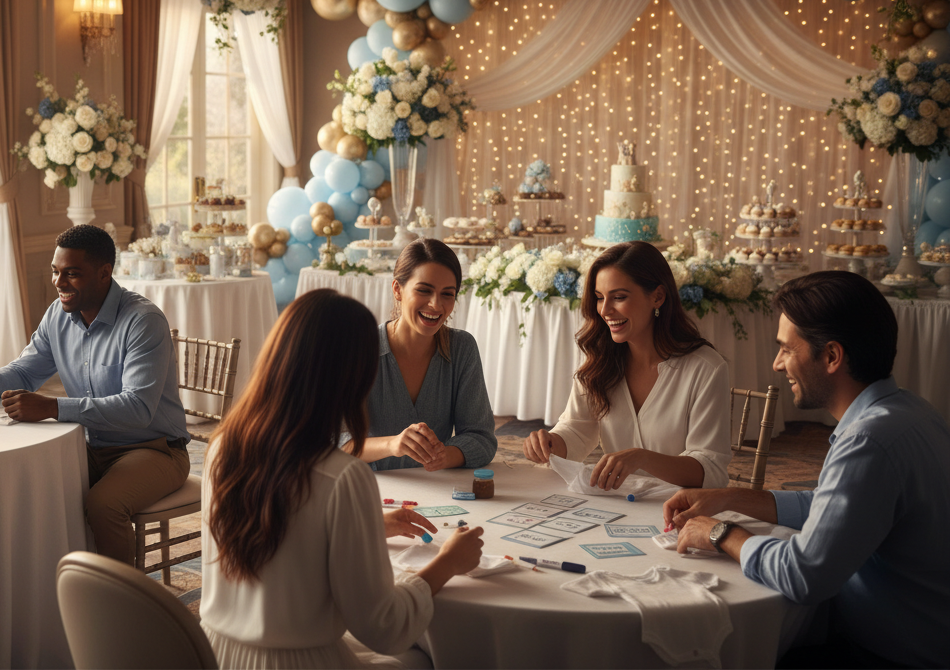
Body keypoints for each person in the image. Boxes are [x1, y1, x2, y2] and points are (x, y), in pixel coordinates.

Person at [665, 271, 950, 668]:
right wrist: (731, 497)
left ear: (831, 356)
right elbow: (835, 508)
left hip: (888, 653)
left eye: (785, 349)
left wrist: (721, 532)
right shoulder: (912, 411)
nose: (777, 364)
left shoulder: (868, 441)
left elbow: (804, 576)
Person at [202, 289, 485, 668]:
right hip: (301, 662)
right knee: (424, 658)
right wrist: (448, 561)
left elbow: (278, 534)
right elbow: (385, 626)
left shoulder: (223, 447)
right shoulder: (343, 477)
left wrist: (364, 526)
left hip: (215, 654)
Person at [0, 224, 189, 564]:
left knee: (103, 504)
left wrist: (54, 407)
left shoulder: (143, 322)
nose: (58, 283)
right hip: (89, 446)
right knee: (32, 487)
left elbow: (137, 409)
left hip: (155, 449)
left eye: (72, 274)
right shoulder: (58, 314)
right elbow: (24, 372)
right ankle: (51, 591)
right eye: (56, 272)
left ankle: (124, 605)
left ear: (104, 273)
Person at [523, 241, 731, 489]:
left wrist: (641, 457)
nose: (606, 310)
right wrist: (549, 443)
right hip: (618, 505)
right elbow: (578, 430)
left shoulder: (706, 368)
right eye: (600, 298)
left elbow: (710, 470)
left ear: (658, 296)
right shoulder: (599, 359)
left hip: (681, 511)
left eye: (619, 297)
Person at [344, 239, 496, 471]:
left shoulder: (462, 348)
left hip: (439, 491)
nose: (436, 305)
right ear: (397, 289)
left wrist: (445, 456)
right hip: (372, 492)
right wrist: (392, 445)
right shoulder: (359, 350)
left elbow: (481, 438)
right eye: (424, 290)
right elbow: (336, 444)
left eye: (448, 294)